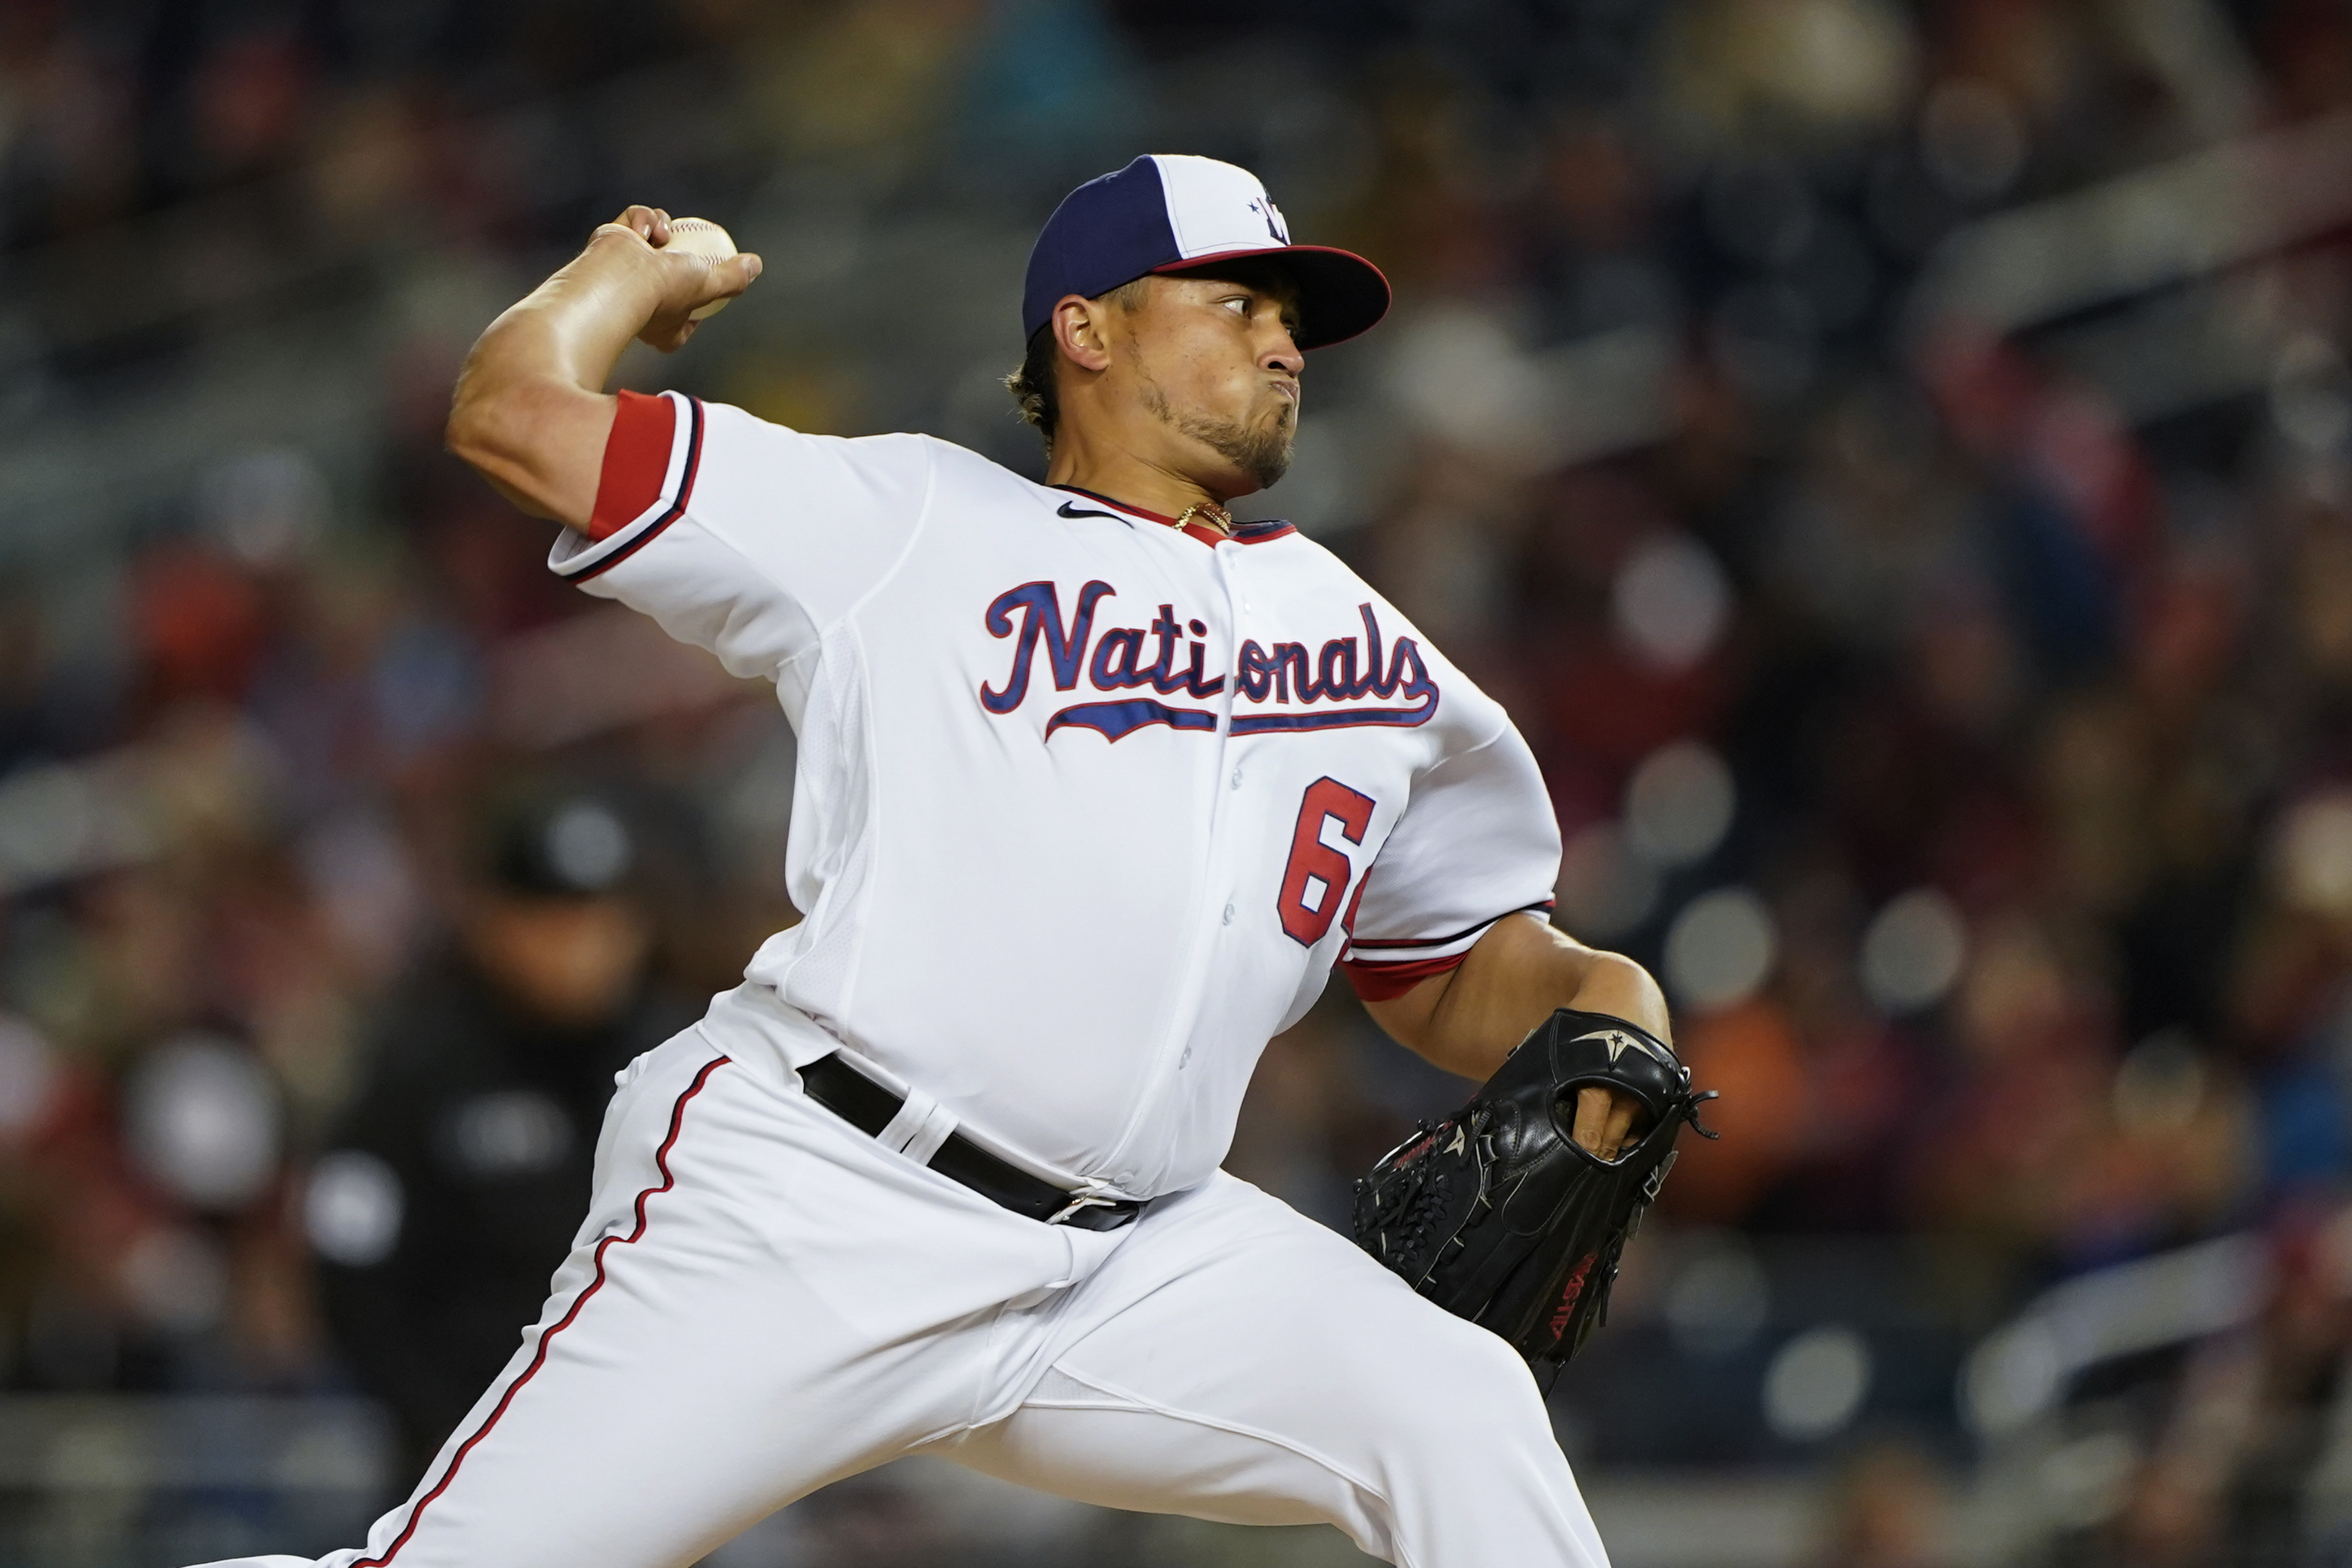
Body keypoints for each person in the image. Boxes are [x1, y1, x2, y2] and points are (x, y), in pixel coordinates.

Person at [203, 153, 1669, 1568]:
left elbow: (1450, 963)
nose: (1281, 343)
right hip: (822, 1198)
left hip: (1137, 1259)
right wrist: (614, 278)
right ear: (1084, 329)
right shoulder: (906, 522)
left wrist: (1603, 1005)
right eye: (1234, 301)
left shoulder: (1366, 651)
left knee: (1458, 1413)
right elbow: (514, 415)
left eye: (1291, 320)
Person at [305, 781, 695, 1487]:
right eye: (553, 920)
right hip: (467, 1464)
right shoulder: (420, 1069)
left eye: (602, 919)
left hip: (661, 1465)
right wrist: (443, 1428)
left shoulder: (687, 1061)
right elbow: (350, 1268)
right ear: (493, 921)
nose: (583, 947)